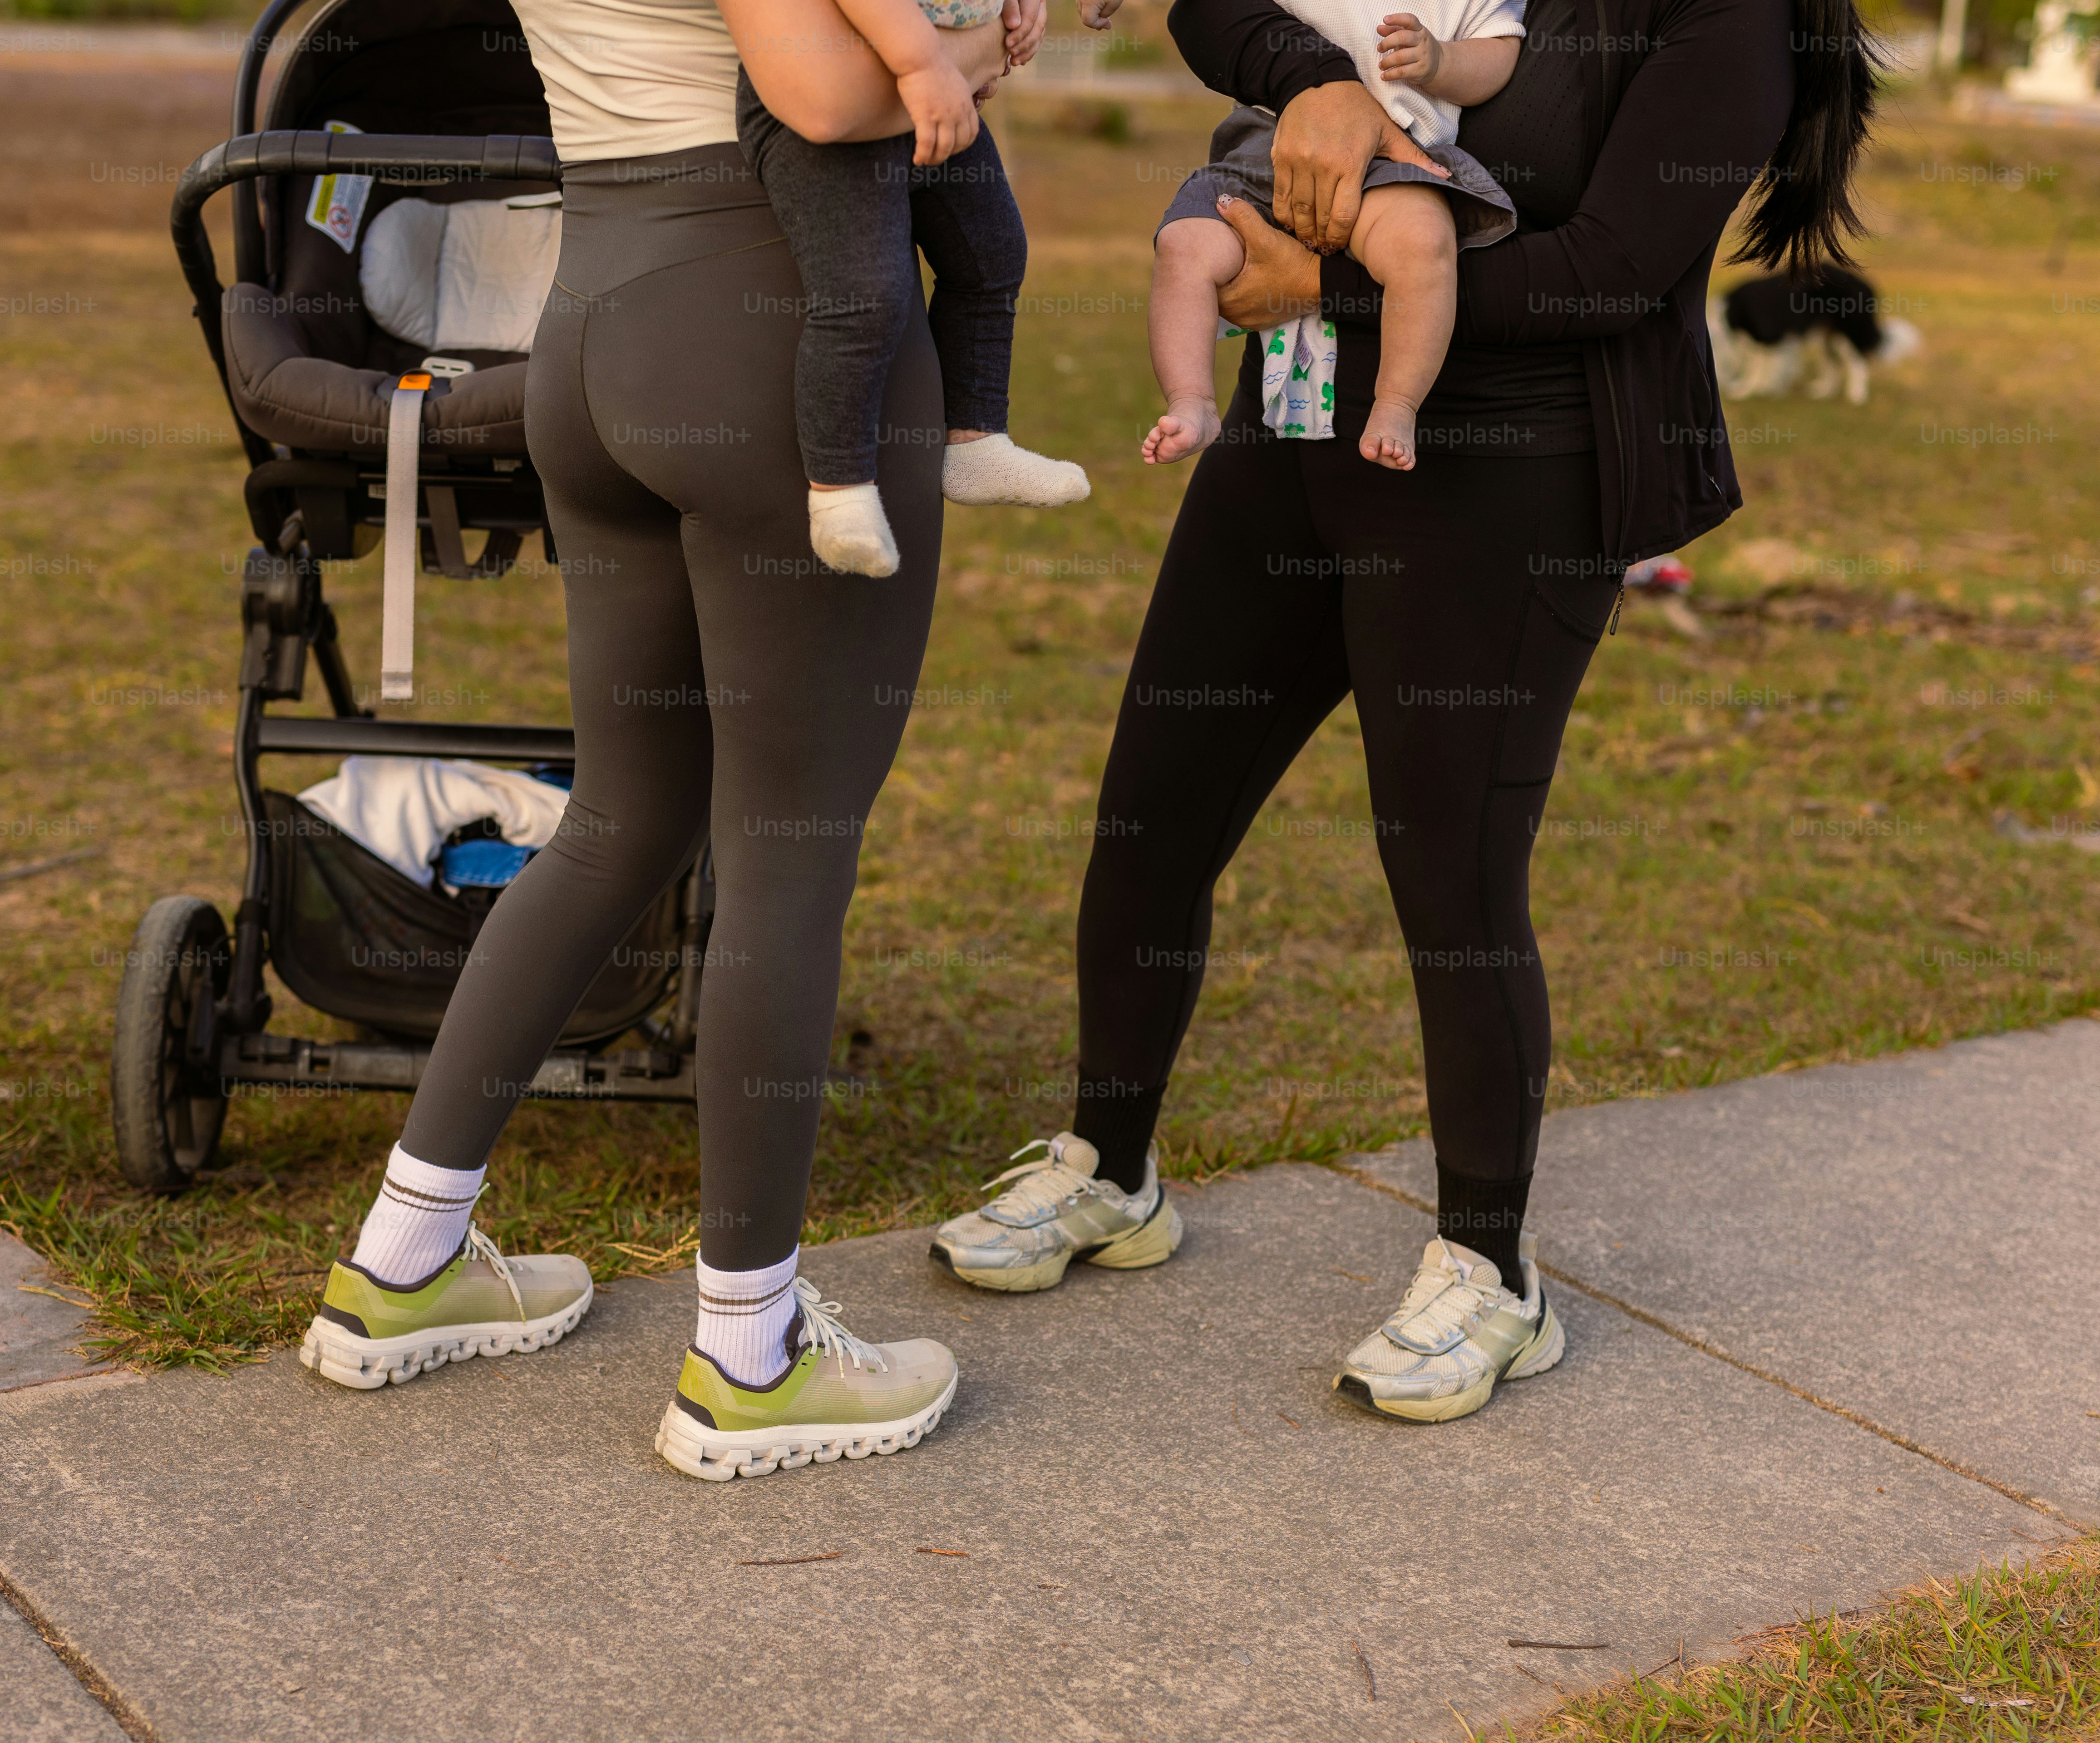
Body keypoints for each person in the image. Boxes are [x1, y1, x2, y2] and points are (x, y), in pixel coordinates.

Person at [934, 0, 1880, 1423]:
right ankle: (1111, 1170)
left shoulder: (1724, 20)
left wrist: (1327, 288)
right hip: (1303, 421)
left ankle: (1493, 1272)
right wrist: (1314, 83)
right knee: (1156, 808)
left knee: (1449, 871)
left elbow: (1610, 269)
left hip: (1514, 469)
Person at [300, 0, 1016, 1482]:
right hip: (760, 328)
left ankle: (407, 1257)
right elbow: (821, 97)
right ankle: (753, 1357)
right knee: (787, 863)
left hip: (599, 322)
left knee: (620, 823)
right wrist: (987, 50)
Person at [740, 0, 1090, 577]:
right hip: (850, 96)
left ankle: (977, 440)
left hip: (937, 92)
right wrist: (927, 65)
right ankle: (840, 493)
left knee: (992, 256)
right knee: (865, 295)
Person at [1144, 0, 1524, 469]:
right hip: (1271, 137)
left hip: (1394, 158)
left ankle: (1396, 405)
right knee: (1186, 243)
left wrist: (1443, 62)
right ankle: (1192, 400)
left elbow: (1500, 54)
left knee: (1423, 245)